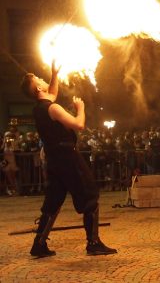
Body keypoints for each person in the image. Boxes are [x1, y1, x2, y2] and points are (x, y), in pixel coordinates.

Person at [20, 61, 117, 258]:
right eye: (39, 79)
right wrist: (80, 108)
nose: (42, 78)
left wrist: (54, 73)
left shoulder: (39, 108)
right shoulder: (53, 108)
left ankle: (38, 244)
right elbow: (78, 125)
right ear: (38, 88)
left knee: (53, 201)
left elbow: (51, 94)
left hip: (54, 160)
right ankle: (93, 243)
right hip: (67, 157)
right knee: (90, 195)